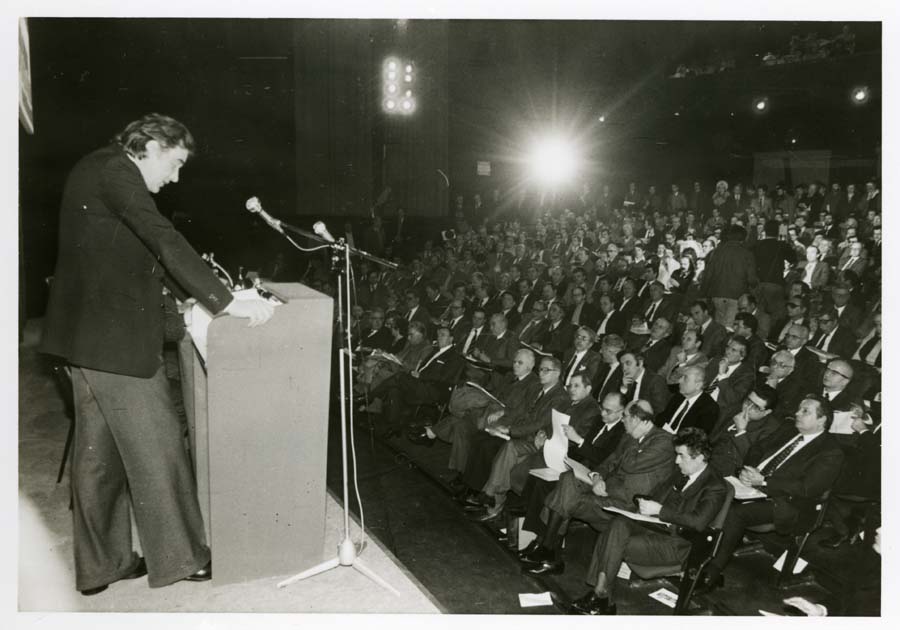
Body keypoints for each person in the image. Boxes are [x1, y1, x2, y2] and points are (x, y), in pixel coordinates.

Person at [40, 114, 275, 595]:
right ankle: (183, 557)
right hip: (112, 340)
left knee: (99, 454)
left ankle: (103, 565)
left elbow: (136, 253)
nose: (176, 177)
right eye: (176, 162)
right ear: (148, 145)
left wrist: (187, 296)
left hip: (85, 338)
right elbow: (162, 237)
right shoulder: (115, 171)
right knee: (159, 444)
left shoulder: (98, 169)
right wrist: (226, 302)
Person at [570, 428, 728, 615]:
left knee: (612, 538)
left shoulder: (715, 486)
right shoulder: (681, 472)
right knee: (618, 523)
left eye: (681, 456)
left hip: (678, 543)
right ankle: (601, 593)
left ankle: (601, 595)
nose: (676, 461)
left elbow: (698, 522)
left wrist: (661, 510)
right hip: (655, 526)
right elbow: (656, 494)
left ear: (700, 457)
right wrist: (644, 503)